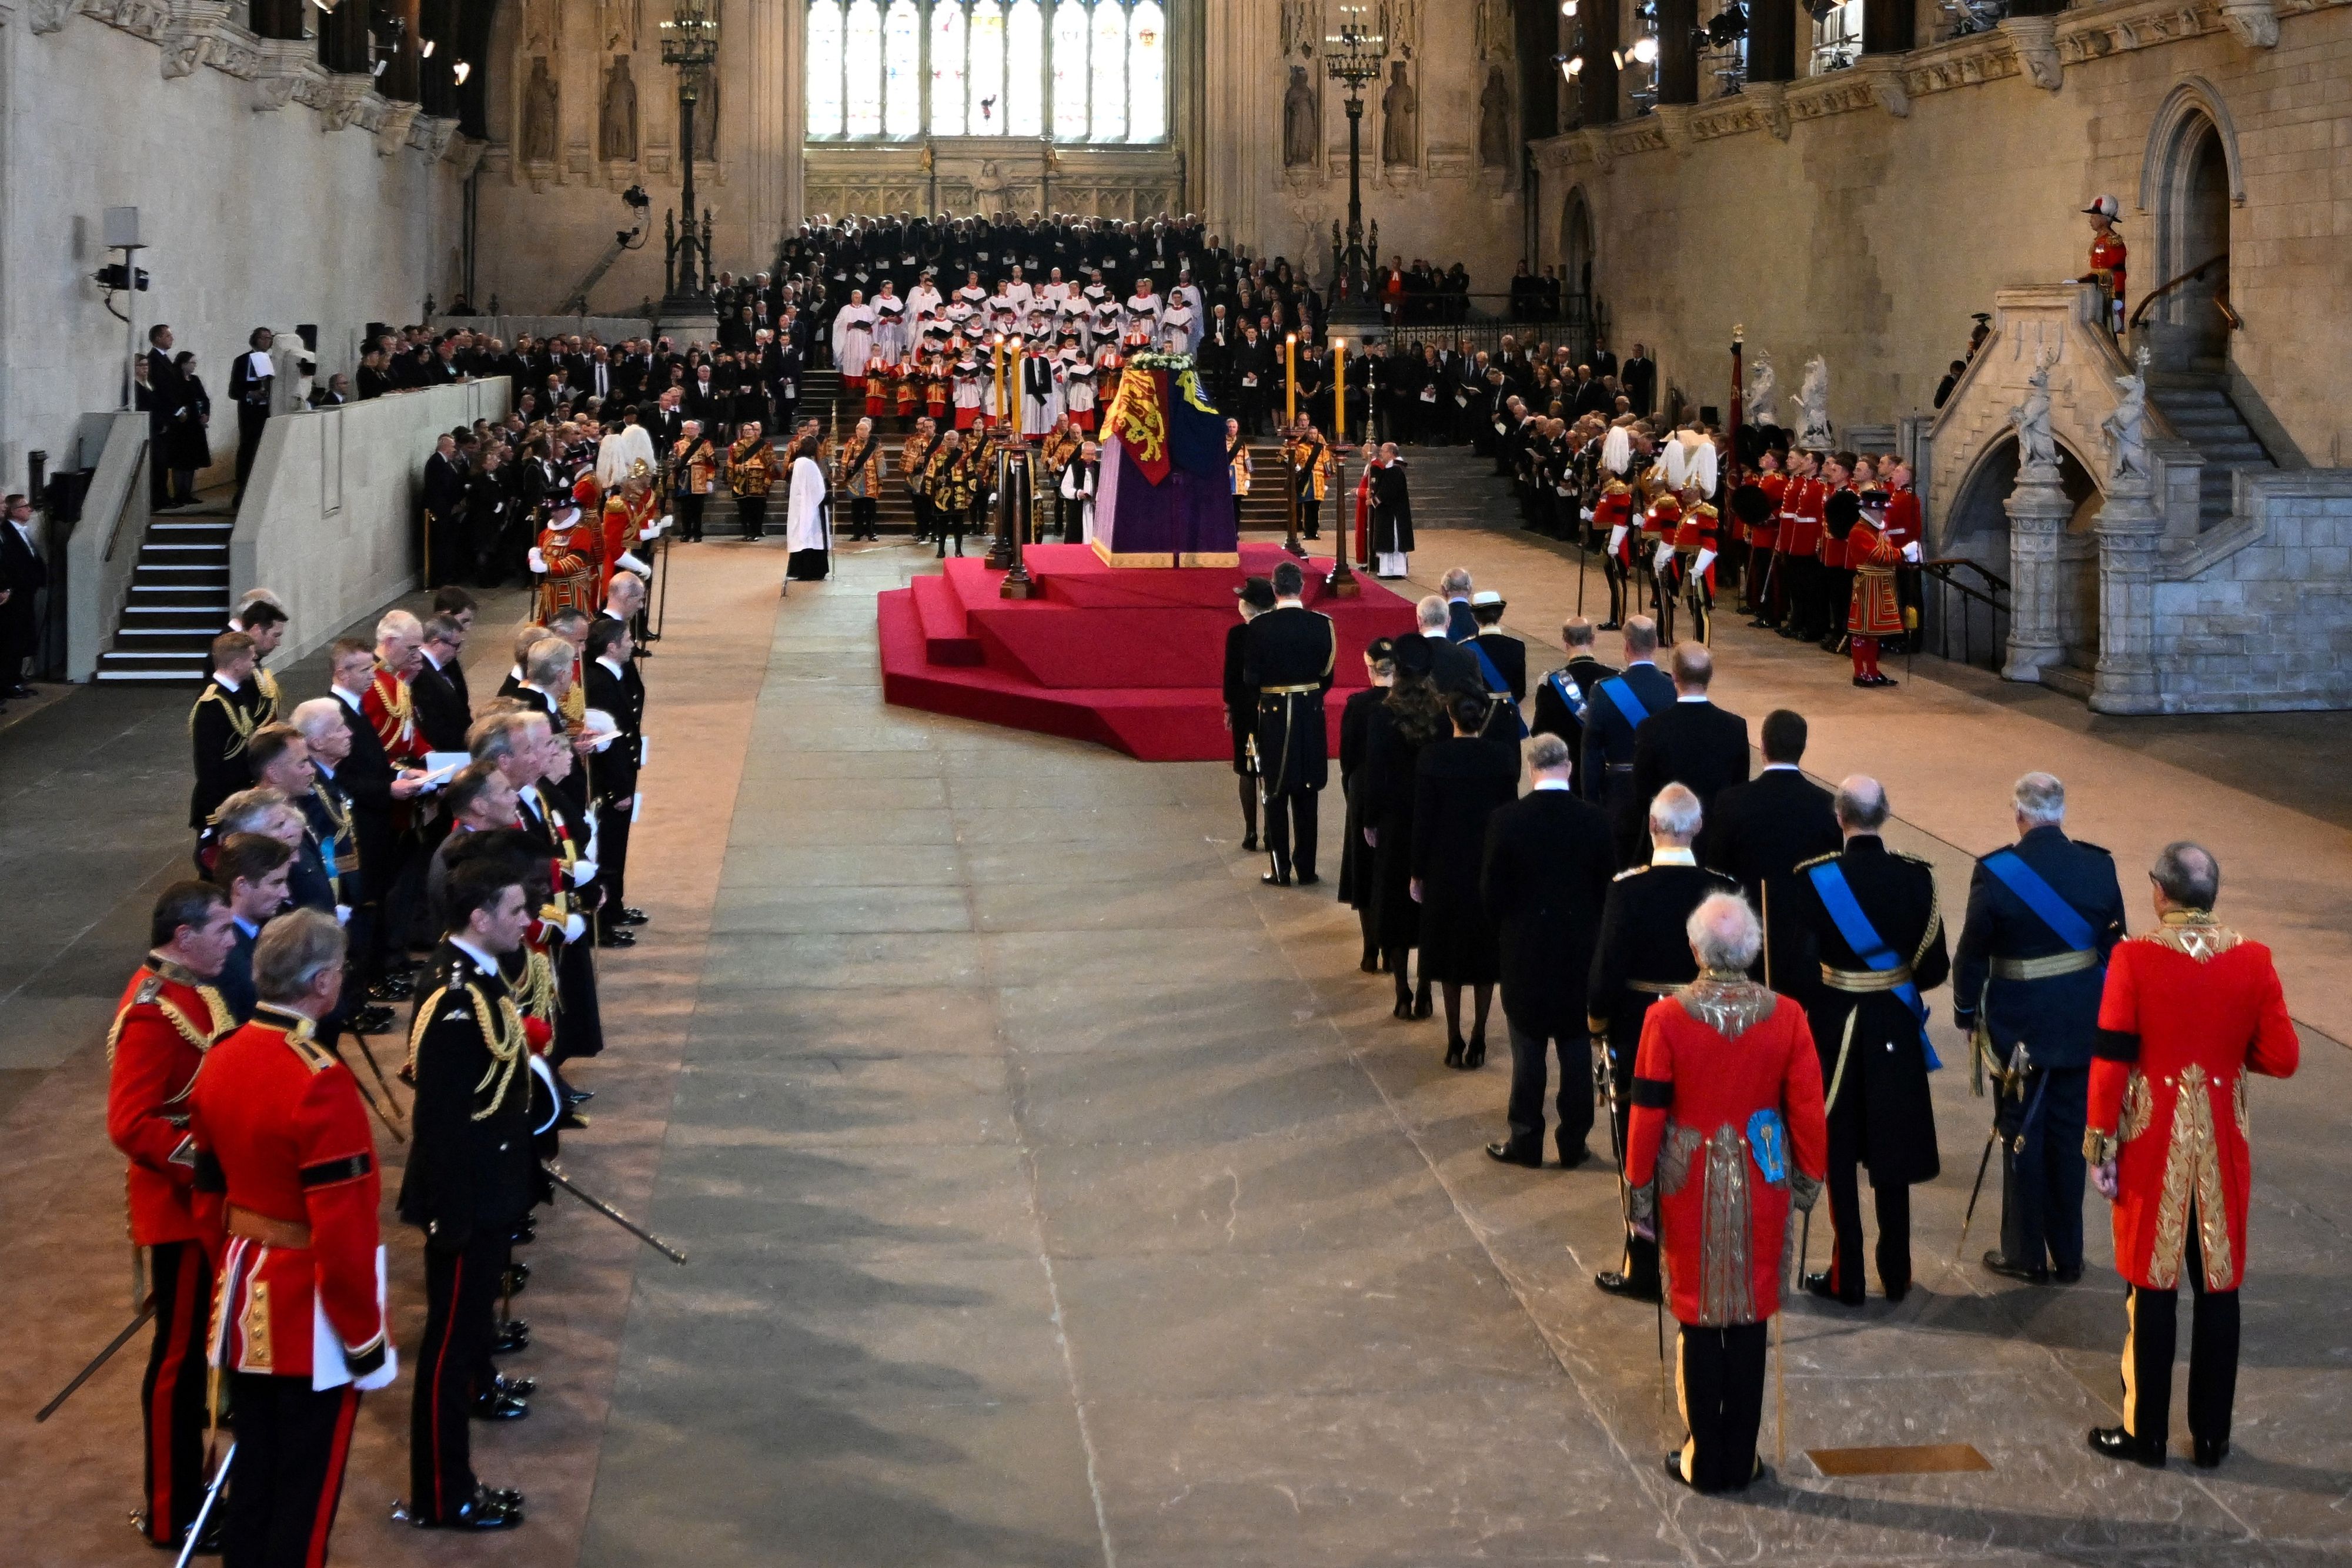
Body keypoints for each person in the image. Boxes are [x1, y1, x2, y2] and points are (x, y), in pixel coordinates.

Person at [2083, 841, 2297, 1470]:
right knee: (2218, 1288)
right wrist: (2228, 1061)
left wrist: (2100, 1140)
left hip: (2152, 1142)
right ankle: (2211, 1437)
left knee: (2151, 1286)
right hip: (2224, 1144)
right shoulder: (2253, 959)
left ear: (2159, 891)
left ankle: (2145, 1434)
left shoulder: (2134, 958)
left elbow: (2111, 1059)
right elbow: (2283, 1057)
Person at [187, 910, 390, 1566]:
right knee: (306, 1490)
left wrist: (232, 1264)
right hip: (308, 1310)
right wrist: (365, 1338)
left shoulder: (220, 1056)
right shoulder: (319, 1080)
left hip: (244, 1287)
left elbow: (209, 1194)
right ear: (324, 983)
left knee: (256, 1477)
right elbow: (345, 1228)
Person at [1626, 893, 1828, 1493]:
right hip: (1762, 1178)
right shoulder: (1787, 1014)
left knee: (1695, 1314)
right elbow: (1808, 1111)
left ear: (1694, 949)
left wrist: (1639, 1190)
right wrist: (1806, 1181)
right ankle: (1739, 1457)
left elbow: (1646, 1113)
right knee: (1748, 1320)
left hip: (1687, 1183)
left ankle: (1701, 1457)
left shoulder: (1664, 1018)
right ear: (1753, 949)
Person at [401, 858, 538, 1531]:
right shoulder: (455, 1001)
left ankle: (451, 1484)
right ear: (479, 919)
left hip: (489, 1191)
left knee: (463, 1343)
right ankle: (441, 1491)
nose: (527, 920)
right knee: (448, 1353)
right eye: (516, 910)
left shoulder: (479, 979)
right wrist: (455, 1219)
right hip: (464, 1204)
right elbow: (442, 1125)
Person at [1952, 771, 2127, 1287]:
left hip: (2018, 1029)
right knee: (2074, 1136)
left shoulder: (1995, 870)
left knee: (2022, 1135)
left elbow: (1972, 953)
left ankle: (2025, 1252)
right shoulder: (2099, 866)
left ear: (2019, 815)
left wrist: (1966, 1014)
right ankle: (2069, 1255)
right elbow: (2117, 950)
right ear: (2062, 813)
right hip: (2082, 1025)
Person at [106, 881, 238, 1554]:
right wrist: (208, 1164)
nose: (232, 940)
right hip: (180, 1210)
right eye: (221, 929)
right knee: (178, 1366)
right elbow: (130, 1123)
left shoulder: (197, 989)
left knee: (196, 1363)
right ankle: (171, 1509)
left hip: (207, 1203)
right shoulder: (152, 1013)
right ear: (184, 936)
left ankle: (195, 1486)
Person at [1790, 776, 1950, 1306]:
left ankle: (1848, 1275)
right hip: (1895, 1030)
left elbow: (1798, 970)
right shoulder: (1916, 879)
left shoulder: (1815, 880)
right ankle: (1897, 1273)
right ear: (1886, 814)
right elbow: (1933, 967)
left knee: (1838, 1150)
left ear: (1840, 817)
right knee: (1892, 1149)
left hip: (1833, 1026)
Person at [1588, 784, 1740, 1301]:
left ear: (1652, 827)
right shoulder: (1722, 889)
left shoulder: (1627, 889)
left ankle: (1644, 1263)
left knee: (1641, 1145)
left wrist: (1597, 1021)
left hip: (1641, 1032)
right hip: (1708, 1030)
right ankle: (1702, 1256)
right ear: (1696, 828)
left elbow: (1607, 969)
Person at [1480, 732, 1616, 1168]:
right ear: (1569, 766)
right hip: (1579, 952)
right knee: (1576, 1048)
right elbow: (1607, 891)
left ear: (1532, 766)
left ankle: (1526, 1139)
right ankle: (1573, 1142)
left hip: (1526, 951)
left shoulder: (1506, 820)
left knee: (1528, 1049)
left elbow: (1490, 895)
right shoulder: (1595, 820)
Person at [1408, 689, 1519, 1066]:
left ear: (1451, 717)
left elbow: (1422, 822)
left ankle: (1453, 1036)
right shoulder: (1502, 757)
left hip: (1444, 868)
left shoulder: (1432, 758)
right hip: (1488, 866)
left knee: (1449, 954)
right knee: (1486, 954)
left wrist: (1417, 871)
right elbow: (1507, 818)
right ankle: (1479, 1036)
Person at [1707, 710, 1841, 999]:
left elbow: (1716, 871)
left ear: (1763, 746)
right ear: (1802, 749)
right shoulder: (1826, 806)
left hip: (1744, 937)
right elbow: (1830, 876)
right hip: (1803, 942)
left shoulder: (1732, 802)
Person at [1361, 638, 1447, 1018]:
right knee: (1428, 908)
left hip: (1395, 822)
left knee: (1394, 904)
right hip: (1433, 822)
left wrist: (1369, 818)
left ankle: (1402, 990)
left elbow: (1373, 773)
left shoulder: (1382, 715)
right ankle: (1427, 988)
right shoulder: (1443, 715)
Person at [1242, 560, 1335, 888]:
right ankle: (1307, 869)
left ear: (1274, 589)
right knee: (1308, 791)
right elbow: (1327, 677)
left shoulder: (1259, 628)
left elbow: (1250, 679)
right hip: (1310, 715)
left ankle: (1280, 869)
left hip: (1273, 717)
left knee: (1276, 791)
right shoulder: (1322, 625)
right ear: (1302, 588)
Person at [1630, 642, 1750, 860]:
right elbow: (1739, 790)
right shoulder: (1734, 727)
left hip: (1668, 844)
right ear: (1710, 676)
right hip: (1717, 846)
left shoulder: (1652, 728)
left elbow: (1642, 794)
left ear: (1674, 676)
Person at [1578, 617, 1675, 864]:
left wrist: (1592, 802)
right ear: (1655, 643)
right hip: (1664, 794)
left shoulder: (1604, 690)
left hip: (1619, 796)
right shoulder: (1672, 688)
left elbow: (1590, 753)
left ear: (1626, 646)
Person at [584, 617, 645, 944]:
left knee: (617, 846)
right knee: (606, 850)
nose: (632, 643)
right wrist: (618, 789)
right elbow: (609, 742)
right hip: (612, 784)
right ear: (611, 646)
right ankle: (603, 922)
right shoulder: (600, 682)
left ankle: (616, 905)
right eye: (626, 639)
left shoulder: (613, 675)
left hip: (624, 774)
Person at [1337, 636, 1396, 973]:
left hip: (1362, 789)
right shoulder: (1403, 703)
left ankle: (1370, 949)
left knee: (1364, 869)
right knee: (1391, 871)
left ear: (1369, 667)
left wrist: (1353, 791)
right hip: (1397, 791)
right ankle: (1392, 950)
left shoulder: (1358, 704)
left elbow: (1347, 757)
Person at [189, 630, 267, 832]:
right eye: (251, 659)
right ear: (237, 664)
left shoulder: (235, 693)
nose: (254, 664)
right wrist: (215, 816)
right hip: (223, 803)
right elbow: (208, 765)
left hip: (239, 796)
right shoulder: (212, 704)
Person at [1223, 577, 1274, 851]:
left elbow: (1230, 675)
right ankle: (1270, 830)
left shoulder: (1238, 634)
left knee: (1247, 770)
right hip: (1272, 706)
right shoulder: (1277, 631)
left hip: (1245, 709)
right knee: (1269, 770)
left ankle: (1250, 831)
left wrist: (1229, 706)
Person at [1529, 616, 1615, 768]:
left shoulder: (1550, 684)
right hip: (1606, 768)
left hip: (1566, 769)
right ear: (1593, 639)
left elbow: (1540, 732)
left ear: (1565, 641)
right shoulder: (1614, 679)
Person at [0, 492, 47, 701]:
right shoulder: (7, 532)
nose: (29, 509)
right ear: (15, 510)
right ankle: (9, 682)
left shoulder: (19, 532)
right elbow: (10, 562)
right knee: (12, 639)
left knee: (19, 638)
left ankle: (15, 679)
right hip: (14, 596)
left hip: (23, 593)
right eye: (25, 506)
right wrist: (8, 587)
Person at [228, 327, 276, 508]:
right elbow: (234, 391)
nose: (267, 341)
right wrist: (250, 394)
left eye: (269, 338)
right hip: (250, 414)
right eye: (263, 338)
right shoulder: (242, 361)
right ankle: (242, 490)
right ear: (255, 339)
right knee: (248, 449)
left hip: (269, 413)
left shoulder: (275, 360)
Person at [162, 350, 213, 507]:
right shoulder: (175, 380)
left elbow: (204, 398)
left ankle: (187, 493)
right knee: (180, 462)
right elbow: (172, 400)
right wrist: (180, 413)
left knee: (191, 461)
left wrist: (205, 414)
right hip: (181, 426)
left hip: (195, 426)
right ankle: (179, 494)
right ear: (183, 364)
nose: (194, 365)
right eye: (192, 362)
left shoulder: (195, 380)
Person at [784, 430, 833, 581]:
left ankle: (803, 571)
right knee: (813, 537)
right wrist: (827, 498)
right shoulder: (808, 464)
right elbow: (814, 490)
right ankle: (813, 571)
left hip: (803, 506)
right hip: (811, 508)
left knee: (804, 537)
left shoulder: (799, 462)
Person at [1368, 443, 1414, 578]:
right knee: (1389, 541)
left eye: (1383, 451)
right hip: (1391, 511)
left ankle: (1394, 570)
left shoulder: (1395, 470)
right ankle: (1389, 570)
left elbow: (1388, 492)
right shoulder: (1391, 469)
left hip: (1393, 514)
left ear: (1391, 453)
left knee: (1393, 541)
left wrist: (1372, 501)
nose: (1381, 454)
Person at [730, 420, 777, 541]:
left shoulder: (764, 446)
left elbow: (771, 464)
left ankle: (756, 530)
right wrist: (736, 468)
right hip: (742, 482)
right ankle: (748, 532)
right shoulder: (736, 446)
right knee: (744, 508)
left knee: (759, 508)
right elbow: (730, 463)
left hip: (759, 481)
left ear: (755, 431)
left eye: (750, 430)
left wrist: (769, 478)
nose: (747, 433)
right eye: (745, 431)